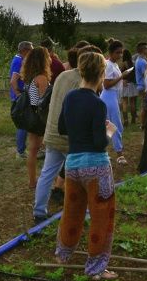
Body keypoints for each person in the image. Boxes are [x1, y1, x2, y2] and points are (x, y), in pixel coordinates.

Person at [55, 51, 119, 280]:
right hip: (97, 167)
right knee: (102, 216)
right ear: (102, 74)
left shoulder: (70, 98)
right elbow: (100, 142)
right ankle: (95, 269)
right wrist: (109, 131)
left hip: (72, 165)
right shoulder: (97, 104)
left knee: (72, 211)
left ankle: (62, 255)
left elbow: (62, 128)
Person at [33, 45, 102, 224]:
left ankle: (39, 212)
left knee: (47, 173)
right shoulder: (83, 83)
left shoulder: (63, 75)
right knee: (84, 178)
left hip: (52, 132)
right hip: (71, 139)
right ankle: (84, 215)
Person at [21, 46, 52, 190]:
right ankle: (47, 181)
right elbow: (44, 101)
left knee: (32, 150)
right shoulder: (41, 78)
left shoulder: (29, 77)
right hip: (41, 118)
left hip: (31, 117)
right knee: (50, 150)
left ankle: (32, 181)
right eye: (48, 56)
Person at [101, 40, 132, 165]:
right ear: (110, 52)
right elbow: (107, 84)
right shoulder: (108, 65)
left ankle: (104, 151)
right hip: (109, 96)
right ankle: (119, 154)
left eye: (121, 53)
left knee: (108, 126)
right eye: (117, 53)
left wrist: (121, 80)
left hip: (113, 97)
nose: (120, 55)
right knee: (116, 126)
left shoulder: (114, 64)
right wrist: (122, 76)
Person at [9, 41, 34, 159]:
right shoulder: (18, 61)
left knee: (24, 124)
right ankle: (20, 152)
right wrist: (19, 96)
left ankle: (21, 150)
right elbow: (13, 81)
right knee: (23, 125)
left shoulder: (19, 59)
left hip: (21, 96)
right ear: (25, 50)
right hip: (20, 97)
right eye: (31, 51)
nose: (32, 53)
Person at [120, 48, 138, 127]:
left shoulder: (124, 63)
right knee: (133, 102)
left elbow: (121, 73)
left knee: (124, 102)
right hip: (133, 83)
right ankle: (133, 119)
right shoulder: (133, 63)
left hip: (125, 83)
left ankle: (126, 121)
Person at [133, 42, 147, 128]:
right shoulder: (142, 62)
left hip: (140, 85)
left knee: (144, 105)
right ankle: (143, 124)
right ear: (143, 50)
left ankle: (143, 123)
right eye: (146, 48)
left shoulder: (138, 59)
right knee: (144, 106)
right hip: (143, 86)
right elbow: (145, 74)